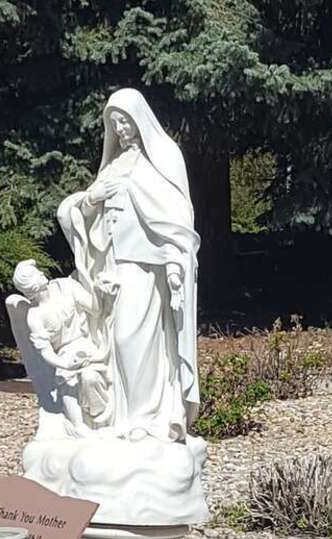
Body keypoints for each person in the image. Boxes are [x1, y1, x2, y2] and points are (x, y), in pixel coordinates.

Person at [57, 88, 201, 442]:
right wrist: (90, 199)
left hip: (146, 265)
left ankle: (146, 418)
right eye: (114, 124)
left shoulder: (162, 157)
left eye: (125, 121)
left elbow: (176, 218)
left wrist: (173, 265)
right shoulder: (116, 163)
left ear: (140, 119)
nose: (120, 130)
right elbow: (84, 210)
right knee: (117, 341)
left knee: (135, 338)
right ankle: (124, 418)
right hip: (113, 267)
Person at [12, 259, 110, 436]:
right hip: (64, 354)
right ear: (30, 286)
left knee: (90, 378)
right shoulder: (34, 316)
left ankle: (99, 417)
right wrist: (65, 364)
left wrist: (97, 290)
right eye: (36, 273)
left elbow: (95, 310)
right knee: (64, 377)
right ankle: (77, 425)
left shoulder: (66, 287)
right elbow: (46, 351)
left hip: (85, 344)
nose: (42, 274)